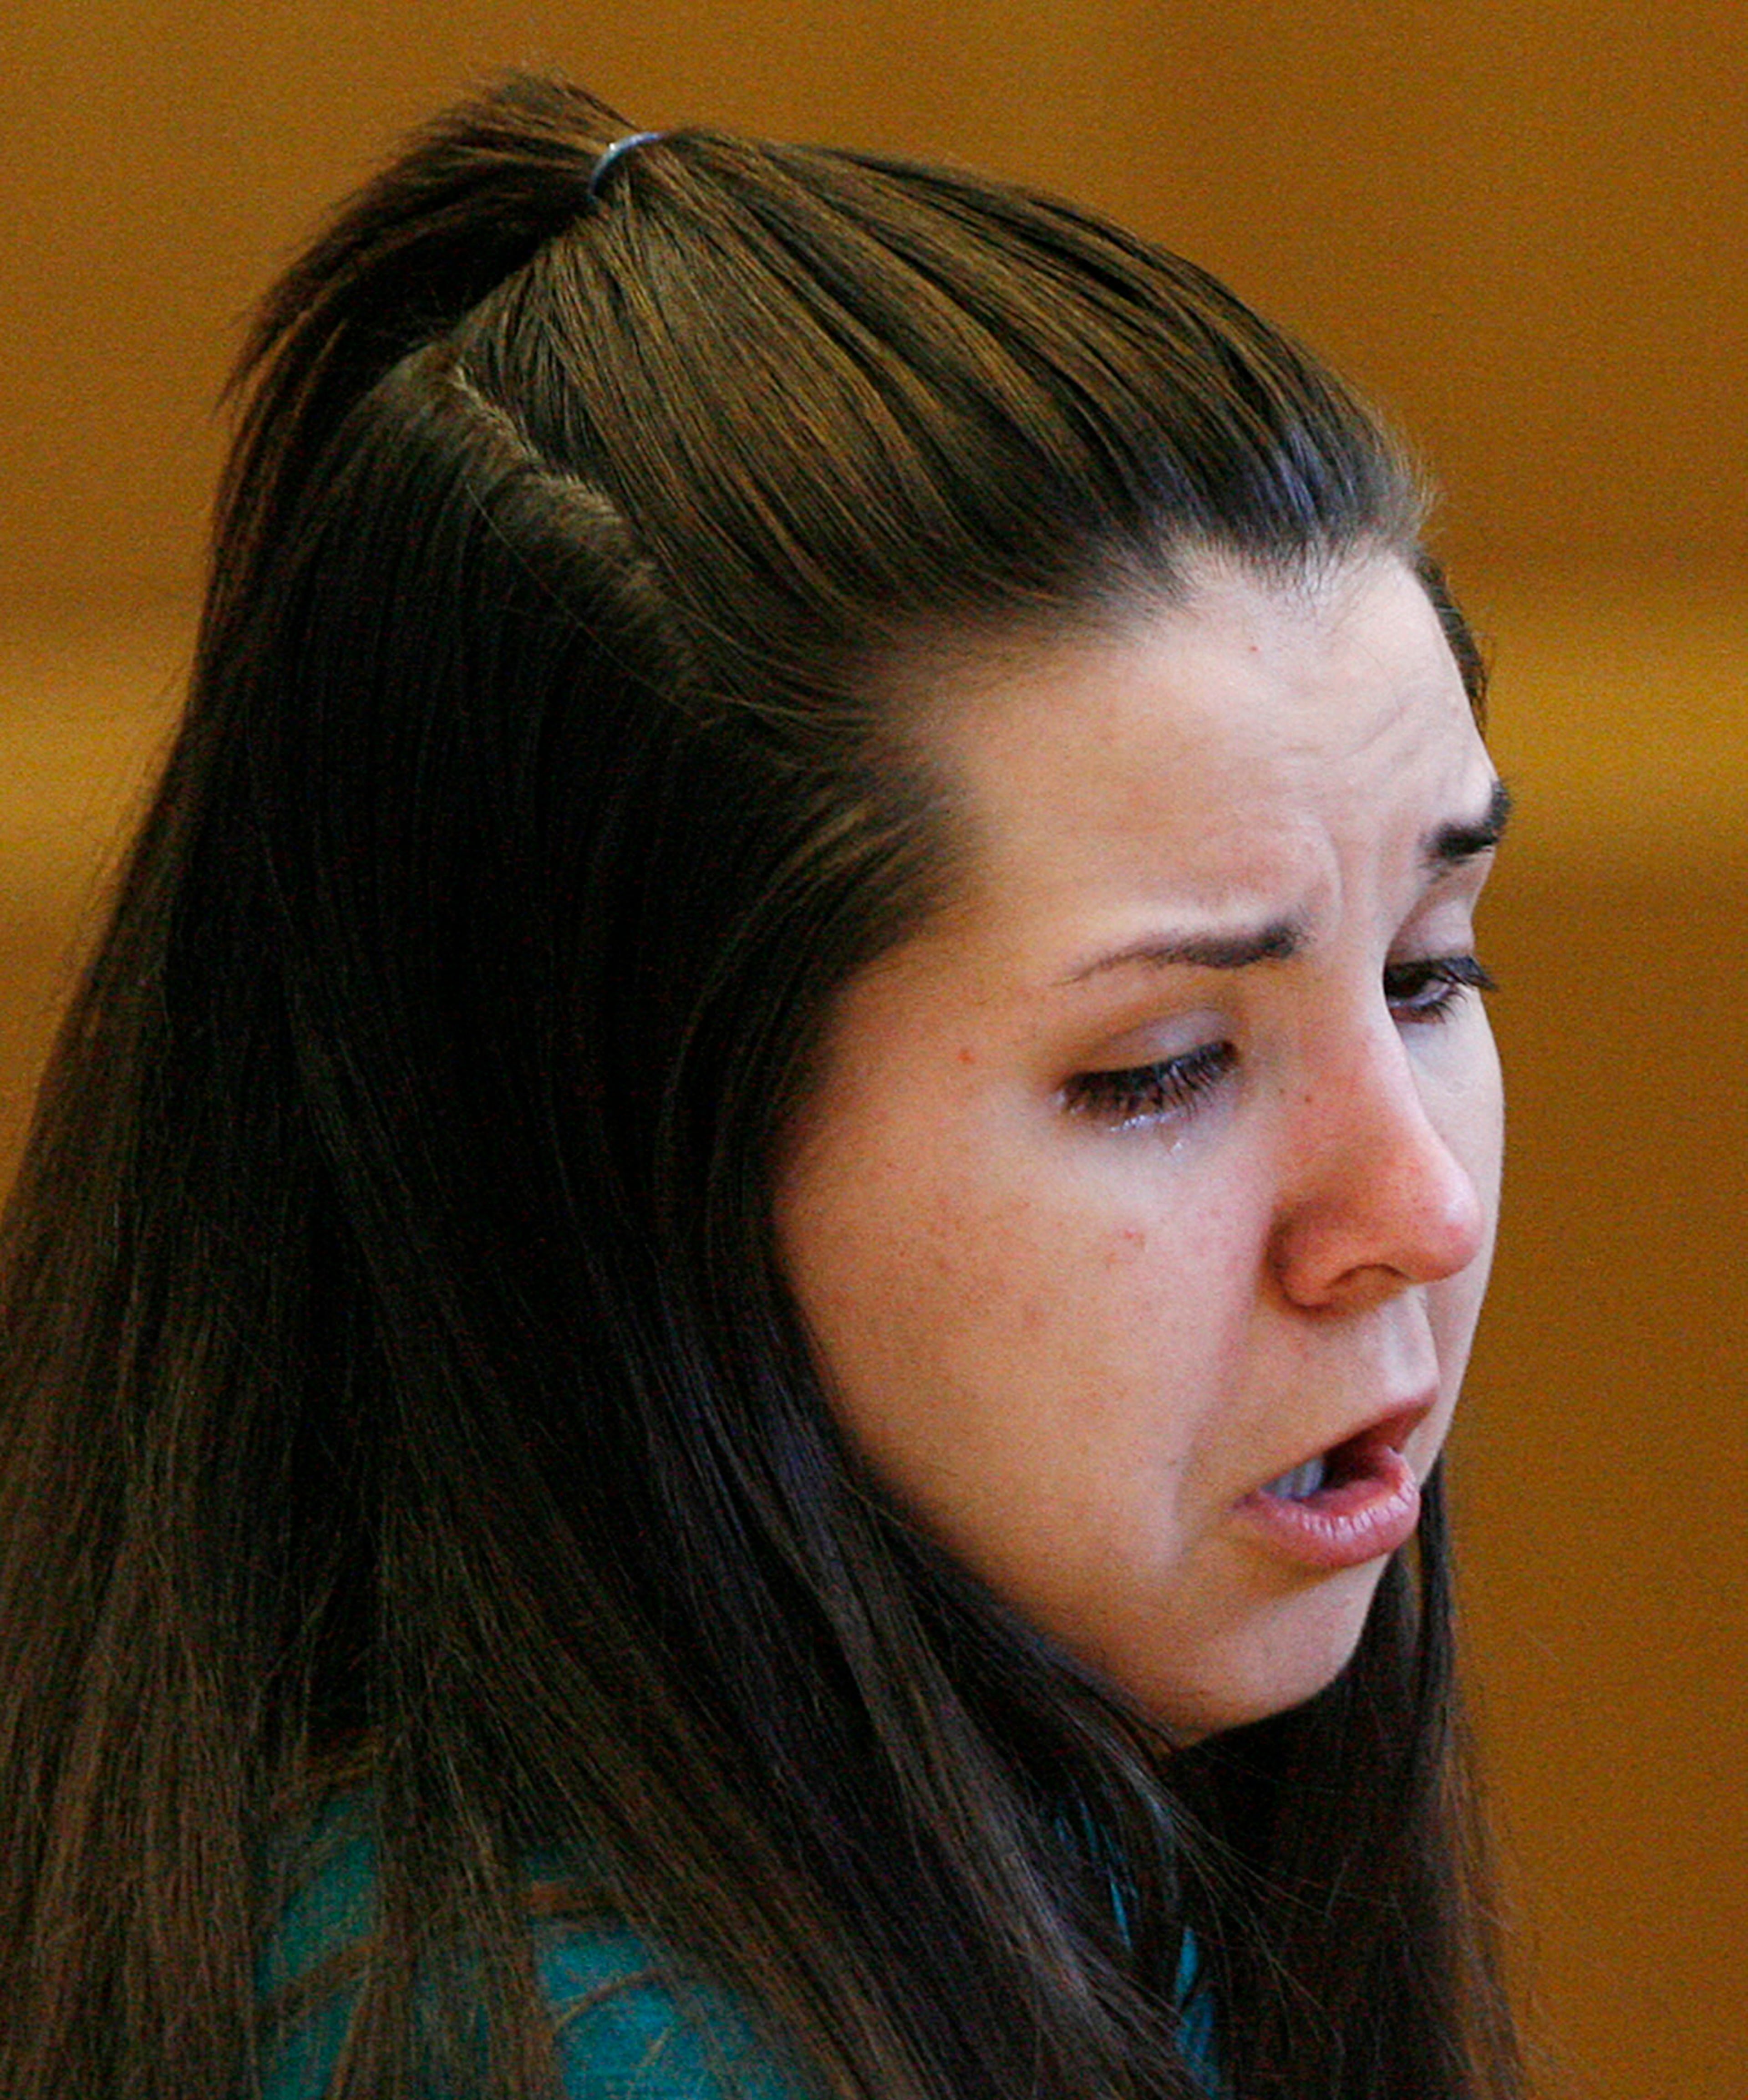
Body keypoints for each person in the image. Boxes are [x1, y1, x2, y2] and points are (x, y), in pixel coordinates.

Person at [0, 71, 1523, 2100]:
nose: (1412, 1208)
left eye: (1431, 970)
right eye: (1161, 1072)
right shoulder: (561, 2045)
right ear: (617, 1153)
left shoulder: (1015, 1816)